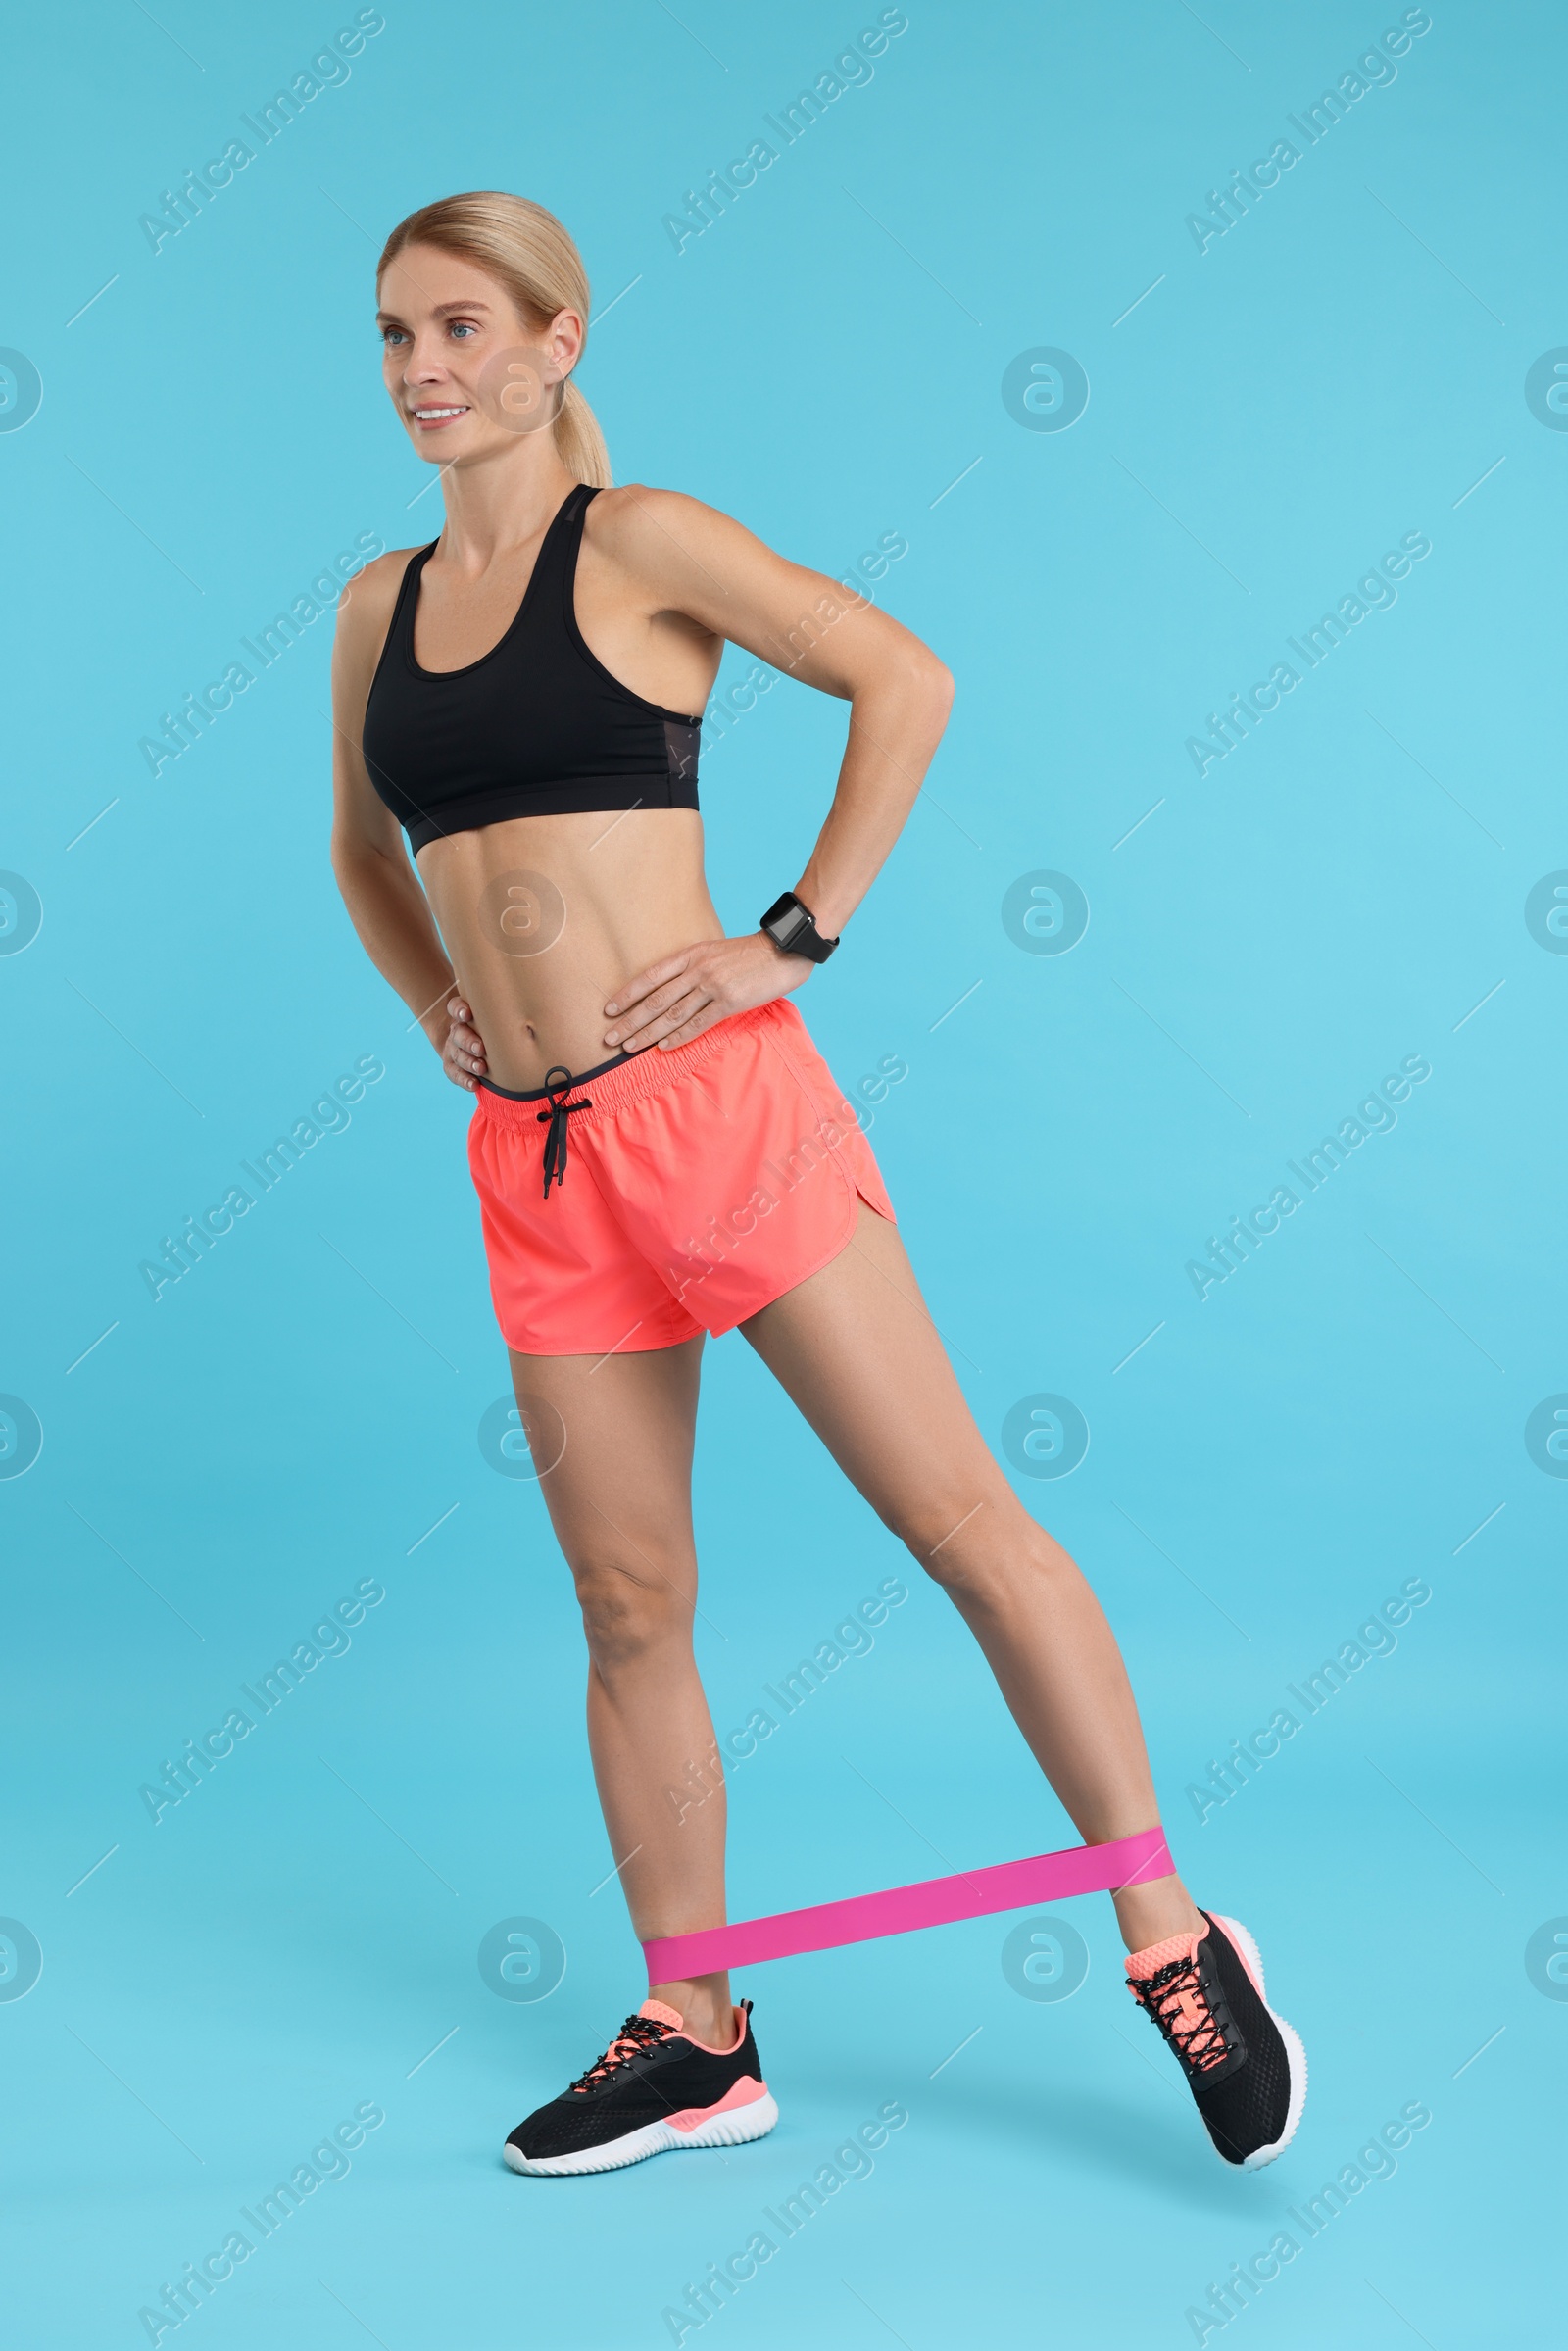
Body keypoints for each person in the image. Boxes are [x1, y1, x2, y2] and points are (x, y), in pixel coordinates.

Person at [329, 191, 1305, 2180]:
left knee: (959, 1520)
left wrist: (794, 931)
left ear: (554, 340)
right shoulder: (373, 604)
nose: (423, 372)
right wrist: (440, 1000)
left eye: (456, 329)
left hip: (715, 1114)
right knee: (624, 1599)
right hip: (537, 1158)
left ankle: (1167, 1934)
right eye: (391, 339)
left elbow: (902, 677)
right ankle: (694, 2032)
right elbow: (364, 853)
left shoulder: (645, 544)